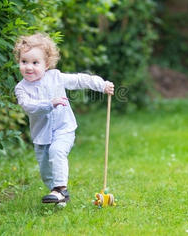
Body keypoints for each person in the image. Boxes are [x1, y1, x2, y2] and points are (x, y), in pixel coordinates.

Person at [13, 33, 115, 204]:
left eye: (35, 63)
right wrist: (49, 103)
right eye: (24, 62)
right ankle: (58, 194)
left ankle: (61, 190)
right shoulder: (21, 88)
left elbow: (80, 80)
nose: (29, 67)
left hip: (64, 129)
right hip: (41, 136)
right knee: (46, 171)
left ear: (46, 65)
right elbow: (29, 106)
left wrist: (101, 85)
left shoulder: (55, 77)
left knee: (57, 152)